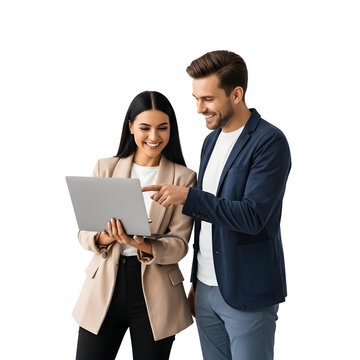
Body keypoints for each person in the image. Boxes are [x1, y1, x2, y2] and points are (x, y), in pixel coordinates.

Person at [143, 51, 291, 360]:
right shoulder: (211, 141)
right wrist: (198, 281)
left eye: (207, 99)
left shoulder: (269, 142)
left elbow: (252, 216)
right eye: (196, 98)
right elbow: (206, 221)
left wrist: (188, 197)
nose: (199, 109)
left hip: (246, 292)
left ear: (236, 94)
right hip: (208, 291)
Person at [73, 91, 196, 360]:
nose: (154, 137)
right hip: (106, 286)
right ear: (130, 126)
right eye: (145, 128)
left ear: (171, 129)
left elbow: (179, 245)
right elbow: (84, 233)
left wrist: (143, 244)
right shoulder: (105, 167)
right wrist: (105, 237)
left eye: (162, 128)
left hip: (157, 292)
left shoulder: (184, 178)